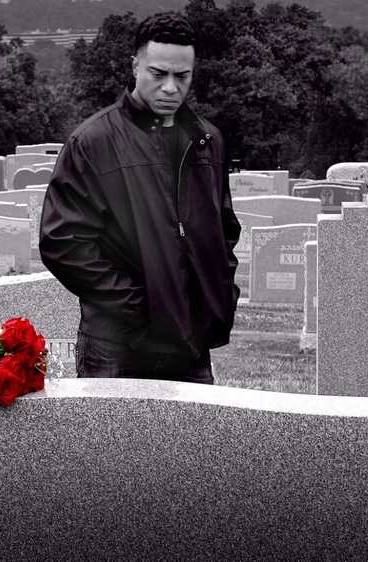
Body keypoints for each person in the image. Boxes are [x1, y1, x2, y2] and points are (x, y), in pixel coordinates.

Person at [39, 12, 241, 385]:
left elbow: (224, 229)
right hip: (116, 344)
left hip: (190, 341)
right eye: (158, 74)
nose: (170, 88)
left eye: (182, 77)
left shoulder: (208, 140)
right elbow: (62, 242)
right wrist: (135, 305)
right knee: (109, 445)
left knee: (192, 444)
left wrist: (218, 293)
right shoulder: (92, 143)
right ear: (135, 66)